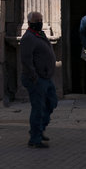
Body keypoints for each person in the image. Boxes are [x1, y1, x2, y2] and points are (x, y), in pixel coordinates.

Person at [20, 11, 58, 148]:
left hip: (46, 78)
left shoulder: (40, 35)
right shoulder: (28, 38)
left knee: (51, 102)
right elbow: (26, 60)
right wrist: (34, 76)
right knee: (38, 108)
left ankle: (39, 129)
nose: (40, 23)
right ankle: (35, 138)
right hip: (37, 79)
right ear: (30, 23)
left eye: (41, 20)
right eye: (37, 21)